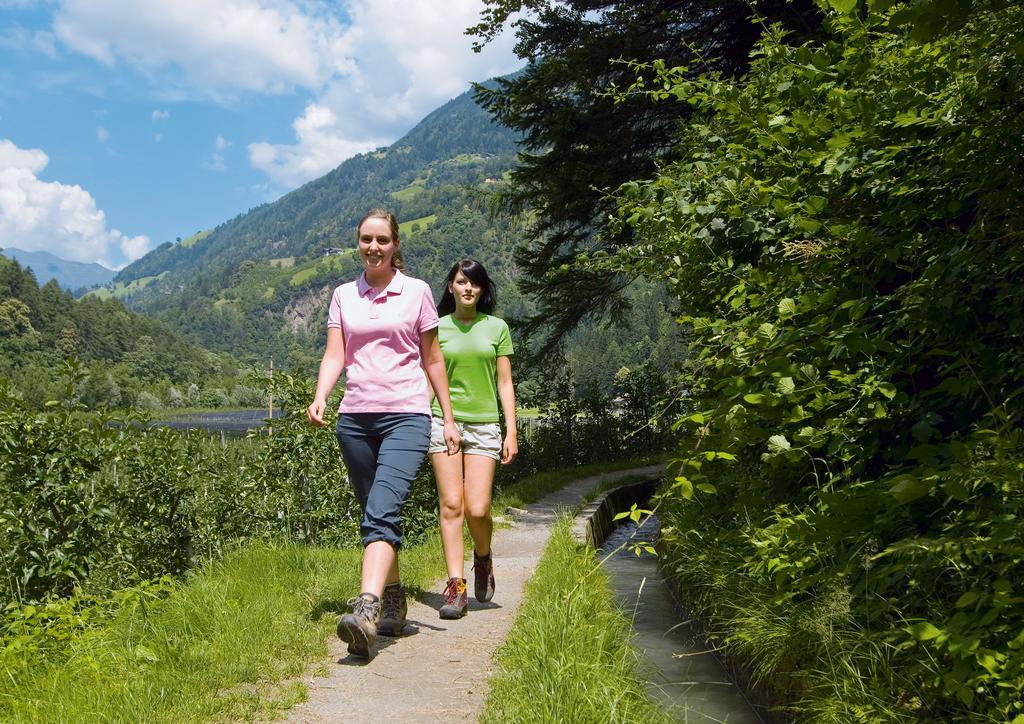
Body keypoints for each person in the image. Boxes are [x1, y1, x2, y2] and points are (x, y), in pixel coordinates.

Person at [307, 209, 460, 658]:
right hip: (354, 419)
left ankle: (368, 609)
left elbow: (433, 360)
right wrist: (321, 396)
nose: (373, 247)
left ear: (395, 246)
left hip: (407, 417)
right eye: (365, 239)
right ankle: (394, 599)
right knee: (376, 512)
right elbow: (335, 354)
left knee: (381, 510)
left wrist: (447, 417)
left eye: (381, 240)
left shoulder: (417, 292)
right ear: (358, 242)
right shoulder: (342, 295)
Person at [428, 259, 517, 619]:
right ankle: (455, 587)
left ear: (482, 289)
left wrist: (511, 429)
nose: (467, 288)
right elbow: (428, 375)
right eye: (461, 282)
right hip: (442, 421)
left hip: (484, 426)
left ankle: (483, 557)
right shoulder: (435, 328)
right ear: (450, 286)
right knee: (451, 505)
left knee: (477, 509)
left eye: (474, 283)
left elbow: (505, 383)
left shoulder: (497, 328)